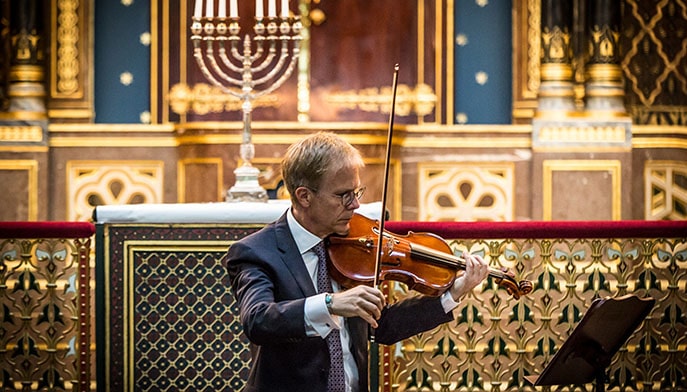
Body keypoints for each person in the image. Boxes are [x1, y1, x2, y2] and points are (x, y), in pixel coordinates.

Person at [225, 131, 489, 392]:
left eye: (357, 191)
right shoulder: (257, 251)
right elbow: (257, 320)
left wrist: (453, 292)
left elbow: (381, 325)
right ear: (304, 196)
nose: (356, 205)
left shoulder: (355, 246)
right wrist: (330, 303)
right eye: (343, 195)